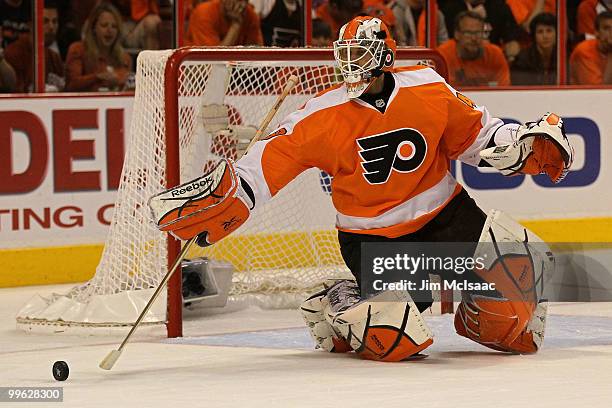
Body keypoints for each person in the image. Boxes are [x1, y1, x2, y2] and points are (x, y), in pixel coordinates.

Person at [150, 16, 573, 362]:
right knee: (395, 336)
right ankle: (340, 303)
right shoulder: (321, 114)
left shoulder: (427, 86)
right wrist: (235, 192)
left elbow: (477, 136)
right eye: (345, 54)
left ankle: (474, 312)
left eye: (360, 53)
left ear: (384, 55)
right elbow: (270, 161)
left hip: (447, 218)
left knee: (516, 295)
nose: (351, 63)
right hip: (374, 240)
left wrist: (520, 144)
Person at [65, 2, 132, 92]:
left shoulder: (125, 58)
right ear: (93, 28)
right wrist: (97, 77)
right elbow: (71, 85)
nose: (109, 30)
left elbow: (128, 86)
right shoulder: (78, 50)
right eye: (104, 25)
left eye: (114, 26)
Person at [437, 11, 510, 87]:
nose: (474, 38)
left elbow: (503, 89)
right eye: (468, 33)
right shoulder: (443, 55)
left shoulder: (495, 54)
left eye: (478, 33)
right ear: (457, 34)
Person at [5, 0, 65, 92]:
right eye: (45, 21)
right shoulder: (14, 53)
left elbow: (64, 90)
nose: (51, 27)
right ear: (30, 25)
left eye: (55, 21)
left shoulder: (54, 57)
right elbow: (16, 94)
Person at [439, 0, 522, 61]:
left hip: (491, 62)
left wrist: (510, 59)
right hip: (458, 60)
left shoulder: (499, 6)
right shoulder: (450, 8)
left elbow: (512, 41)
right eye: (468, 32)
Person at [186, 0, 264, 46]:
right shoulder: (204, 12)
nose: (241, 5)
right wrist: (236, 24)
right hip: (200, 69)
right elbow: (215, 60)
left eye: (244, 0)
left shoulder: (250, 15)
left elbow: (256, 55)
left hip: (238, 69)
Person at [511, 12, 557, 86]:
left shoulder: (563, 57)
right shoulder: (522, 60)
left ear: (556, 34)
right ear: (534, 36)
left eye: (549, 31)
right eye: (540, 32)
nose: (545, 36)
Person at [570, 11, 612, 84]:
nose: (611, 32)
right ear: (596, 32)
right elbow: (599, 92)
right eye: (606, 28)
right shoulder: (584, 51)